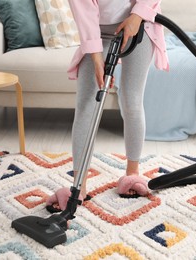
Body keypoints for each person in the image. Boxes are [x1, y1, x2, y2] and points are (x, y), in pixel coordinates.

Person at [46, 0, 169, 211]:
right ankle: (79, 185)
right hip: (98, 32)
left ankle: (132, 174)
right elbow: (84, 14)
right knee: (86, 105)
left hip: (139, 24)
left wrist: (138, 16)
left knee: (131, 100)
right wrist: (96, 59)